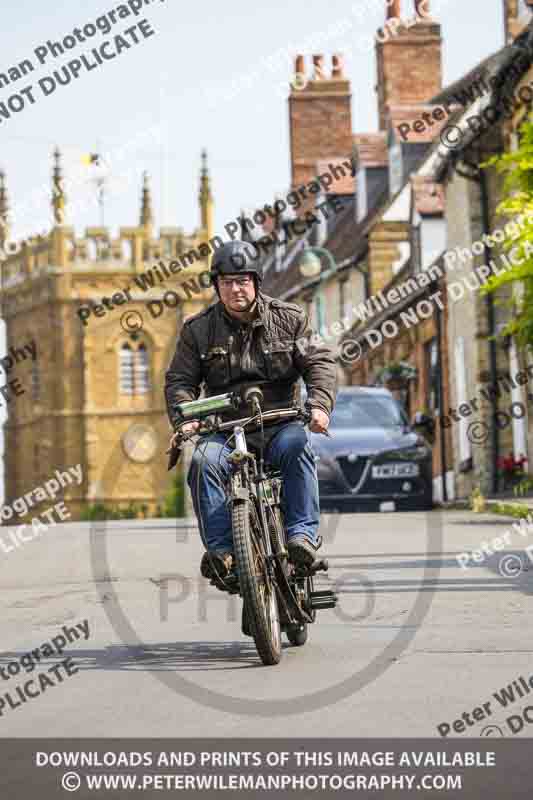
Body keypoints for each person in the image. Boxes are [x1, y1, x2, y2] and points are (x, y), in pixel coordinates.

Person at [164, 240, 337, 582]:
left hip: (279, 423)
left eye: (242, 280)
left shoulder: (290, 319)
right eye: (226, 282)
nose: (235, 289)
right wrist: (186, 419)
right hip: (225, 429)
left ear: (256, 282)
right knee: (203, 463)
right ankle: (223, 552)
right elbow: (180, 381)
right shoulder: (197, 331)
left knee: (297, 447)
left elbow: (319, 363)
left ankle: (301, 536)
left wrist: (319, 406)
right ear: (216, 286)